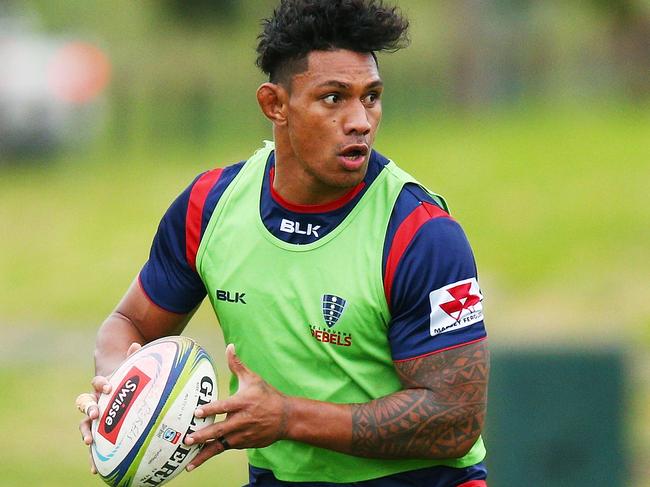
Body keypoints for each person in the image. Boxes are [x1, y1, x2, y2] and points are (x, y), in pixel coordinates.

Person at [77, 1, 490, 485]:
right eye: (334, 98)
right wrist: (118, 388)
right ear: (274, 104)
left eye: (371, 97)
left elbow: (455, 419)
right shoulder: (209, 208)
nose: (360, 120)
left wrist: (288, 417)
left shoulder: (419, 234)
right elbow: (127, 324)